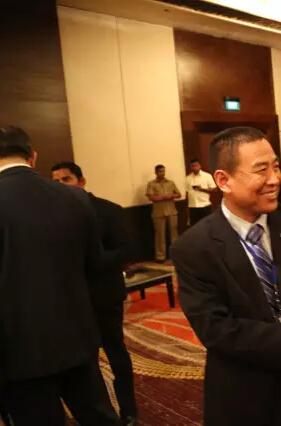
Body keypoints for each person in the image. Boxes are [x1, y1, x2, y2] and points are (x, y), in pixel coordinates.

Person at [170, 127, 281, 426]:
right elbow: (217, 330)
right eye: (261, 170)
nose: (275, 179)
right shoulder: (194, 247)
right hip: (244, 393)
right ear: (223, 180)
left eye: (276, 166)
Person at [0, 126, 120, 426]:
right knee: (99, 417)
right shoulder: (75, 198)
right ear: (33, 157)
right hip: (77, 334)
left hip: (16, 350)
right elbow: (95, 265)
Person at [52, 162, 138, 426]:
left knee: (115, 352)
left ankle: (129, 410)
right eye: (55, 181)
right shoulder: (52, 214)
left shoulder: (108, 210)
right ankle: (100, 413)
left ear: (81, 180)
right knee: (85, 361)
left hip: (104, 296)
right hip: (71, 301)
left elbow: (125, 251)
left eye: (66, 179)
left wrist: (93, 260)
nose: (61, 185)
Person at [146, 164, 181, 262]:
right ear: (156, 172)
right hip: (158, 212)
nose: (162, 173)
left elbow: (178, 194)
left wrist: (171, 196)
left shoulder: (170, 183)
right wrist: (163, 197)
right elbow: (150, 197)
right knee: (159, 235)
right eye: (160, 171)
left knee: (174, 234)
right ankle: (160, 256)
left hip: (171, 211)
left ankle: (176, 255)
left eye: (163, 171)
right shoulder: (151, 184)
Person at [185, 158, 216, 226]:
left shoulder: (207, 176)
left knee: (207, 225)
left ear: (200, 166)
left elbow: (214, 189)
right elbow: (187, 192)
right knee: (195, 226)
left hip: (204, 205)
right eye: (192, 166)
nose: (194, 167)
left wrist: (202, 189)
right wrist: (187, 207)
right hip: (192, 206)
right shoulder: (188, 178)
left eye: (196, 165)